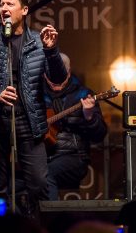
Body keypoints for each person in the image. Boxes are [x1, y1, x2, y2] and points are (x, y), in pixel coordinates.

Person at [0, 0, 67, 212]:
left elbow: (58, 79)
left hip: (28, 121)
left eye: (10, 4)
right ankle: (0, 231)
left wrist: (51, 51)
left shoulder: (39, 41)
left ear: (24, 10)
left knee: (39, 183)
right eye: (2, 4)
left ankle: (32, 227)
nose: (4, 8)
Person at [42, 53, 108, 199]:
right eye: (52, 79)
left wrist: (89, 117)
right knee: (14, 182)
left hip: (73, 156)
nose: (56, 84)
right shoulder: (36, 95)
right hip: (41, 156)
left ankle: (52, 214)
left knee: (46, 174)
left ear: (69, 72)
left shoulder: (83, 94)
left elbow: (100, 135)